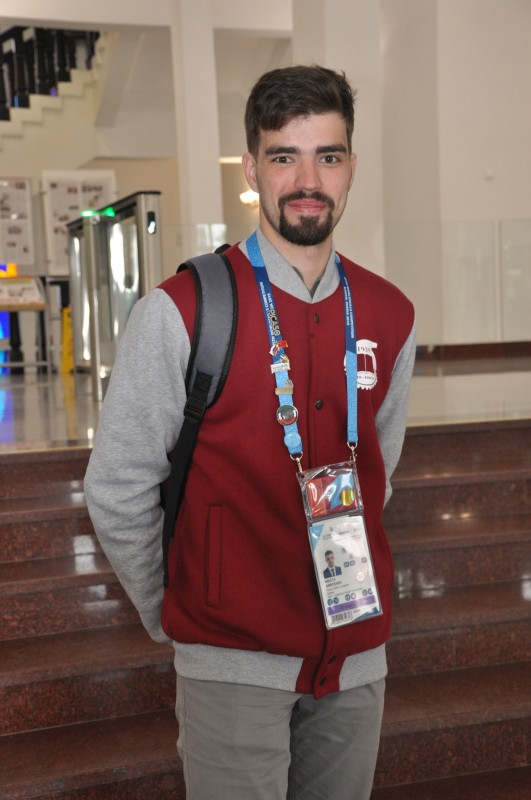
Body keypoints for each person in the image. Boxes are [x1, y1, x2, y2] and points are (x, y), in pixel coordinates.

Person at [84, 64, 416, 800]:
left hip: (355, 657)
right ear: (251, 168)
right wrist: (176, 610)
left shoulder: (390, 314)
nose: (308, 180)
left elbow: (378, 474)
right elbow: (116, 486)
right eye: (283, 156)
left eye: (328, 156)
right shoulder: (180, 310)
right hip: (230, 660)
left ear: (352, 168)